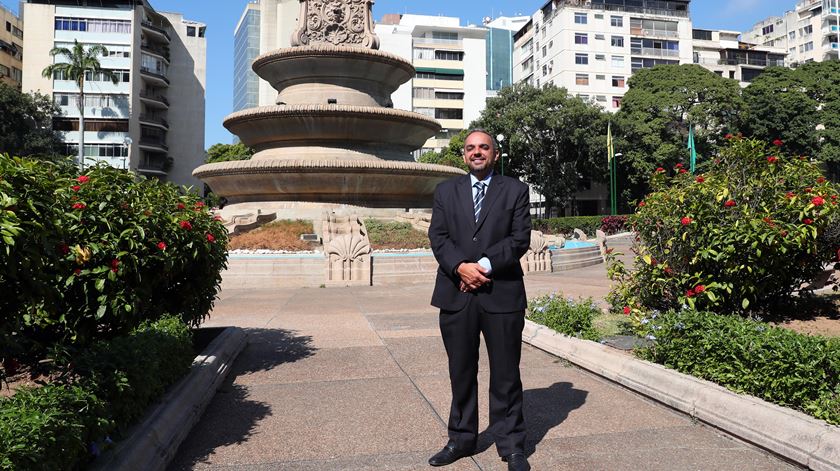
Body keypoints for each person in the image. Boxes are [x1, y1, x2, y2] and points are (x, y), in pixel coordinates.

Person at [427, 129, 531, 471]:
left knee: (505, 374)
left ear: (495, 154)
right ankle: (461, 439)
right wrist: (460, 267)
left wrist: (481, 266)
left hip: (501, 293)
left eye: (483, 147)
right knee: (461, 371)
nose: (476, 152)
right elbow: (438, 236)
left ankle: (512, 445)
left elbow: (519, 239)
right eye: (470, 148)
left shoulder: (515, 190)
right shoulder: (445, 191)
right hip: (456, 295)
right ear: (463, 155)